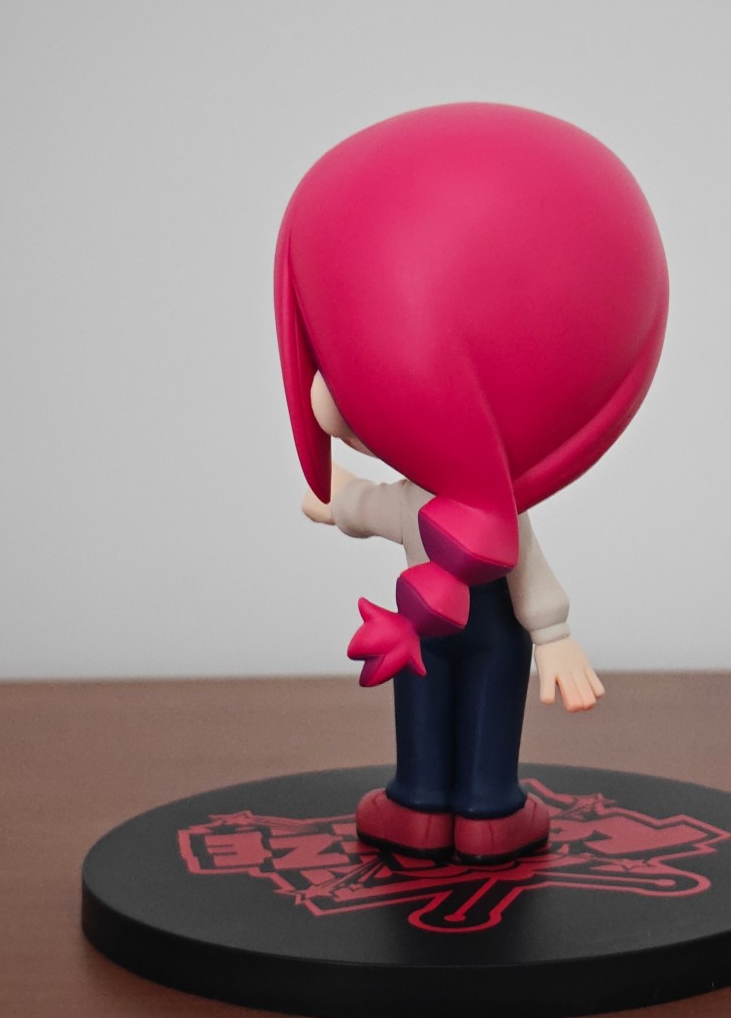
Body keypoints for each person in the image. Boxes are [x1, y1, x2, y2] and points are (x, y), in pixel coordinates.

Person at [275, 102, 668, 864]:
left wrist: (554, 636)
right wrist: (337, 500)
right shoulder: (479, 509)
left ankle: (450, 804)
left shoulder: (477, 507)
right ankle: (450, 805)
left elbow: (393, 515)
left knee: (441, 698)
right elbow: (376, 508)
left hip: (436, 626)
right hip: (457, 629)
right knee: (456, 698)